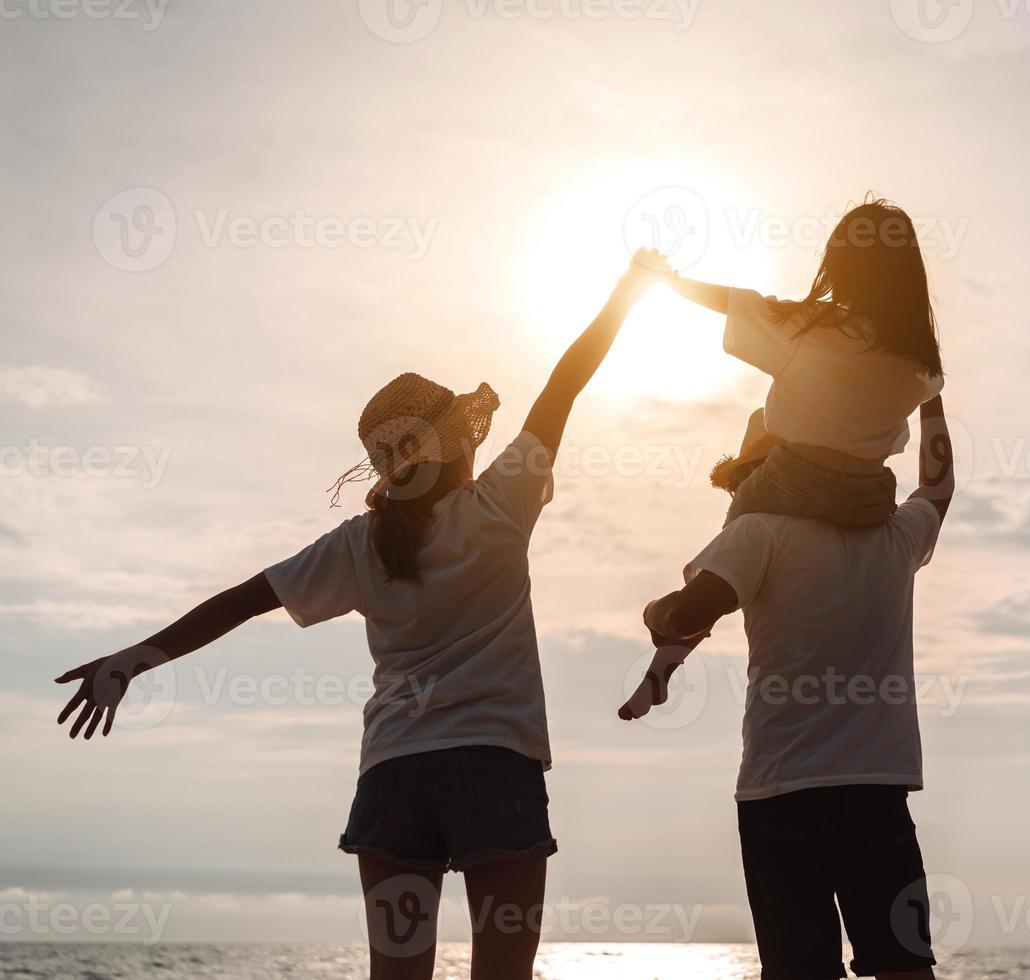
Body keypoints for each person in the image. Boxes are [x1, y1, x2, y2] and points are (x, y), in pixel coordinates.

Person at [55, 250, 672, 980]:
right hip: (493, 769)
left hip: (394, 778)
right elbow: (566, 382)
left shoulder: (358, 545)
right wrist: (630, 291)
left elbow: (238, 603)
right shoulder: (501, 505)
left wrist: (133, 660)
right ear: (462, 444)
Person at [621, 394, 957, 980]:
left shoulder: (757, 533)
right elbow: (937, 488)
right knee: (905, 966)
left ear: (768, 472)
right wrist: (930, 400)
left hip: (781, 795)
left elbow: (690, 615)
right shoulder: (896, 538)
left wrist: (655, 616)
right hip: (877, 792)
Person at [662, 197, 944, 529]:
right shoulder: (920, 365)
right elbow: (933, 389)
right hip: (870, 496)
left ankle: (715, 569)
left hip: (793, 480)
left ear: (840, 266)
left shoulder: (816, 327)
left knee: (739, 523)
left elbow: (738, 303)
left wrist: (672, 281)